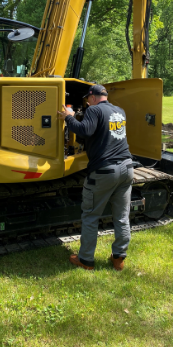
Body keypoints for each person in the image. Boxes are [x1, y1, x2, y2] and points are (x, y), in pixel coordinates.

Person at [57, 84, 134, 271]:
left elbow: (85, 131)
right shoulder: (119, 111)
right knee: (122, 216)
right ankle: (118, 258)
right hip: (127, 167)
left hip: (104, 170)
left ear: (92, 98)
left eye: (87, 100)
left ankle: (86, 259)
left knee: (91, 216)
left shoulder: (94, 110)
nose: (87, 102)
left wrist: (69, 116)